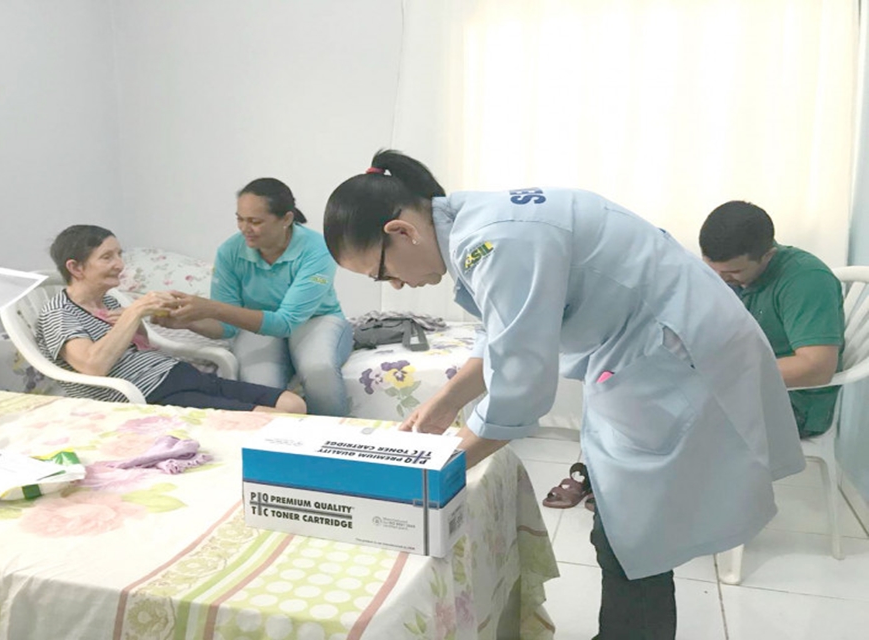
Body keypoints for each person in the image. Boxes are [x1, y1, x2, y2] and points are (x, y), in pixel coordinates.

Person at [322, 150, 804, 640]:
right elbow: (505, 333)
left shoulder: (491, 241)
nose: (396, 285)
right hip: (649, 350)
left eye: (382, 273)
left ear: (401, 232)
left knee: (633, 536)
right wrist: (445, 401)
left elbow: (521, 386)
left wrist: (437, 471)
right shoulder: (473, 224)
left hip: (678, 356)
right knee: (627, 529)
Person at [37, 224, 305, 414]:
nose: (119, 264)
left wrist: (156, 318)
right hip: (152, 394)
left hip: (179, 375)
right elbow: (93, 366)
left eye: (119, 254)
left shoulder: (108, 300)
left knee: (293, 404)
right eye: (107, 257)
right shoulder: (59, 313)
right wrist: (134, 311)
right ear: (75, 267)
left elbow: (139, 347)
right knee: (273, 419)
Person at [162, 178, 353, 417]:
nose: (244, 228)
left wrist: (211, 308)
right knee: (261, 386)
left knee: (318, 369)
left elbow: (286, 323)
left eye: (255, 221)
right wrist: (189, 322)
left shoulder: (317, 249)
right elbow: (228, 327)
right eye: (240, 219)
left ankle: (333, 438)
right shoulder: (230, 251)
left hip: (315, 319)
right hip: (255, 326)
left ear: (286, 219)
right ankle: (276, 446)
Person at [700, 201, 844, 437]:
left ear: (767, 256)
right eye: (711, 269)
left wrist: (726, 375)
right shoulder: (725, 275)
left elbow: (817, 368)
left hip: (793, 404)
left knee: (676, 424)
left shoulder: (806, 280)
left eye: (733, 272)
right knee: (643, 401)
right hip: (741, 387)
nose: (720, 279)